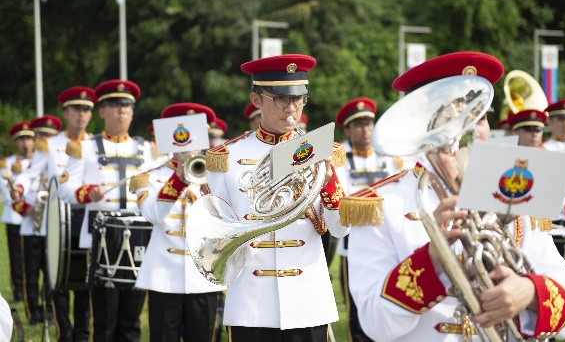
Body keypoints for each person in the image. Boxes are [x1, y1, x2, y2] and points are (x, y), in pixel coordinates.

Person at [345, 52, 565, 342]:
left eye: (480, 115)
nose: (470, 129)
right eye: (451, 115)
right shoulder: (380, 205)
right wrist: (432, 261)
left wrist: (530, 293)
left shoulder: (514, 193)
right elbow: (375, 324)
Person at [205, 54, 349, 342]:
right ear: (256, 99)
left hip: (307, 299)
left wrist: (328, 177)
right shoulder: (227, 157)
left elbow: (340, 228)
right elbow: (214, 232)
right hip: (250, 301)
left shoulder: (321, 150)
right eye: (281, 99)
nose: (291, 109)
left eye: (299, 99)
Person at [58, 79, 160, 342]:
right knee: (103, 318)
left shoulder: (148, 149)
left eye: (126, 105)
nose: (122, 111)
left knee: (132, 316)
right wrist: (86, 192)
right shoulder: (84, 148)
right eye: (115, 105)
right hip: (98, 237)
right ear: (102, 111)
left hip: (139, 236)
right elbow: (64, 187)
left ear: (133, 111)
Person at [130, 102, 225, 342]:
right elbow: (153, 215)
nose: (189, 145)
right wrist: (179, 179)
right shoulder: (148, 177)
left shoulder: (216, 177)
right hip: (163, 278)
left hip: (204, 277)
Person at [11, 87, 95, 341]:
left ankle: (81, 333)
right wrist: (20, 186)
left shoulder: (95, 143)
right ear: (65, 112)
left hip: (85, 222)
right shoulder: (49, 144)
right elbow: (30, 172)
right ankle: (63, 330)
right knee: (56, 281)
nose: (81, 114)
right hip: (57, 222)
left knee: (85, 282)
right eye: (76, 109)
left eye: (86, 109)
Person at [334, 97, 403, 342]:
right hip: (353, 241)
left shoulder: (390, 155)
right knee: (357, 306)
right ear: (348, 129)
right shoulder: (337, 157)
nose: (366, 129)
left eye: (369, 123)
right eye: (359, 124)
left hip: (388, 238)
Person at [14, 114, 61, 325]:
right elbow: (11, 197)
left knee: (52, 275)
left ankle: (51, 313)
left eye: (49, 136)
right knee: (30, 276)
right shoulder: (23, 167)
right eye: (41, 135)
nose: (45, 139)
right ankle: (34, 312)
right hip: (29, 228)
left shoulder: (59, 164)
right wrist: (27, 208)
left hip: (51, 229)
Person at [0, 121, 35, 304]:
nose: (26, 143)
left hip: (36, 218)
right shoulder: (7, 164)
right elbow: (6, 192)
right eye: (22, 139)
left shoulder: (38, 161)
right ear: (16, 142)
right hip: (15, 216)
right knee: (16, 257)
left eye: (29, 138)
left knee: (34, 258)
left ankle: (33, 291)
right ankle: (19, 292)